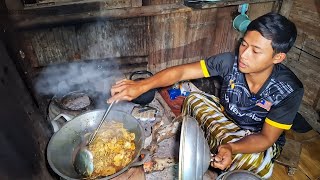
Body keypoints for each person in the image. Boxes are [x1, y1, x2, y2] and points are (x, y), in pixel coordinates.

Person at [107, 12, 303, 179]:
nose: (243, 55)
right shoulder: (229, 62)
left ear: (278, 57)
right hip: (227, 116)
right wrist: (142, 86)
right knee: (193, 99)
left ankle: (213, 155)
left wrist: (232, 148)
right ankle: (206, 150)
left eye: (256, 51)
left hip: (255, 137)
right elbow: (182, 72)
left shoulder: (288, 89)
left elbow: (266, 138)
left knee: (249, 160)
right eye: (244, 45)